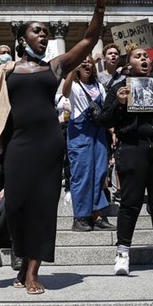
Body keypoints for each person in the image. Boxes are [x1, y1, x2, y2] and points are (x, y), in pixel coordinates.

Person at [0, 0, 108, 294]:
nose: (44, 35)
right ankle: (21, 258)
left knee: (44, 206)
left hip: (48, 142)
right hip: (18, 143)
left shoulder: (55, 67)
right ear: (22, 39)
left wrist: (99, 8)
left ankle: (32, 270)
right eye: (37, 31)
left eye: (46, 31)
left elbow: (88, 40)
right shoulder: (5, 71)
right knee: (16, 204)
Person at [99, 46, 153, 275]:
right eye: (138, 56)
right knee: (130, 202)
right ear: (129, 63)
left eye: (146, 56)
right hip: (133, 147)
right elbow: (104, 120)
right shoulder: (119, 87)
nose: (144, 59)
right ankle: (123, 253)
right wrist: (119, 104)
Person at [61, 55, 113, 232]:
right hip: (80, 134)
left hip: (98, 133)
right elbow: (65, 92)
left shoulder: (99, 86)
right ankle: (80, 217)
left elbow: (106, 107)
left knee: (100, 173)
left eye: (89, 62)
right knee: (81, 174)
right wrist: (71, 70)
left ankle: (97, 215)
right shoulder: (74, 85)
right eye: (82, 62)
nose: (86, 64)